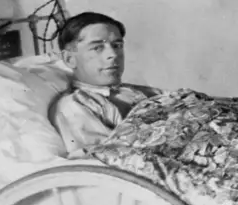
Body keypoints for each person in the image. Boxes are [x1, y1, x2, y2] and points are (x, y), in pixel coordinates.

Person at [49, 12, 160, 157]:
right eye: (97, 47)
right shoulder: (75, 106)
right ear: (70, 59)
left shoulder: (138, 91)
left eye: (117, 45)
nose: (113, 54)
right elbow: (108, 163)